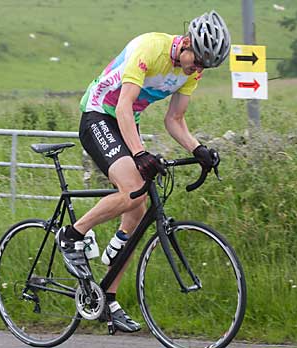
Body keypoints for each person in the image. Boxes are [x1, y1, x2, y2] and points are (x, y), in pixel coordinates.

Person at [56, 10, 231, 333]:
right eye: (199, 60)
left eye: (206, 65)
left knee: (138, 211)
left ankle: (107, 298)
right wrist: (139, 153)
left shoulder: (193, 70)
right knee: (133, 188)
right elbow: (122, 107)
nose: (199, 68)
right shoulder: (150, 48)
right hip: (99, 114)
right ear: (188, 42)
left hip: (125, 122)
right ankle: (72, 235)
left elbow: (174, 120)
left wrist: (198, 149)